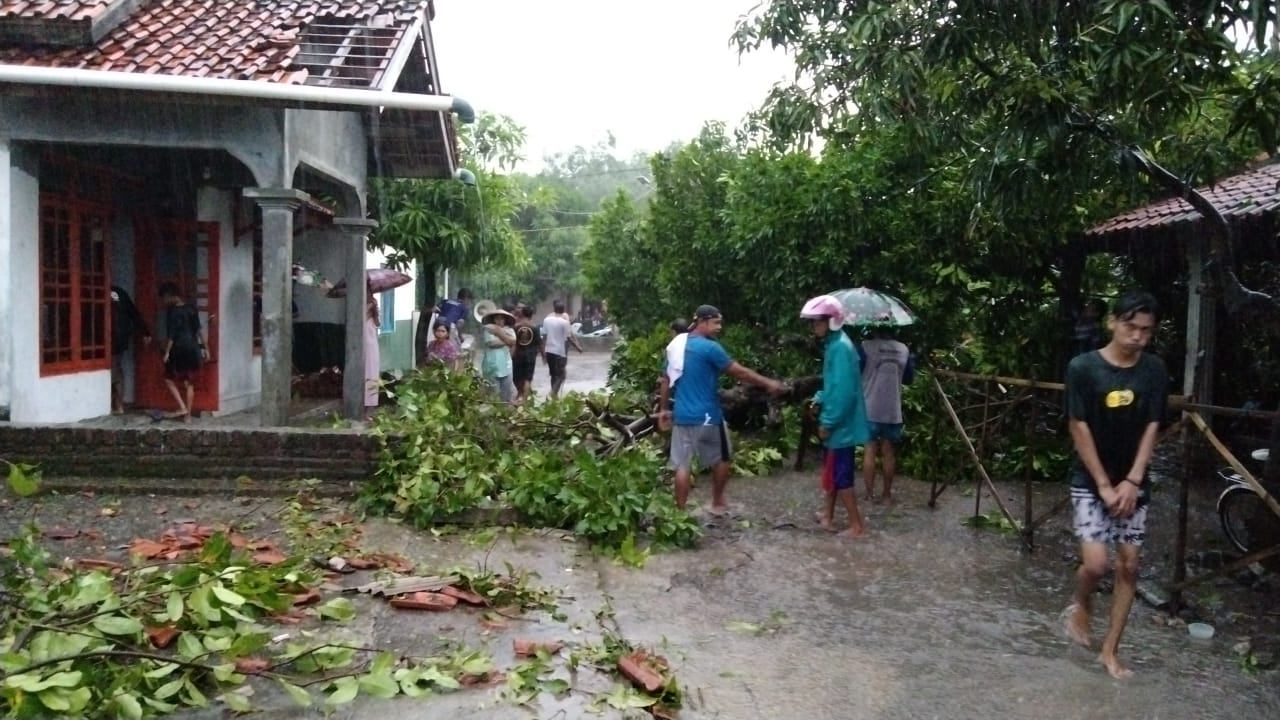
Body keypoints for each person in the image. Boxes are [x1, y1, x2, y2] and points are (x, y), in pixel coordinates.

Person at [1063, 290, 1167, 680]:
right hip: (1090, 480)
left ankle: (1110, 650)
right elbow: (1078, 425)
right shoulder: (1083, 368)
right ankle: (1082, 602)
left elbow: (1153, 425)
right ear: (1112, 322)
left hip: (1133, 482)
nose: (1137, 336)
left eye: (1145, 330)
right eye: (1130, 326)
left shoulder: (1154, 370)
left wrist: (1134, 480)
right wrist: (1105, 485)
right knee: (1096, 564)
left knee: (1129, 564)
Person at [656, 305, 786, 513]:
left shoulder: (677, 347)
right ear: (702, 322)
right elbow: (740, 373)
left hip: (682, 416)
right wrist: (769, 383)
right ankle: (717, 502)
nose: (719, 327)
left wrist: (663, 410)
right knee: (723, 459)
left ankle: (679, 514)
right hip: (708, 416)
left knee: (682, 465)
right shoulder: (710, 348)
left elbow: (665, 379)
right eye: (716, 323)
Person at [801, 295, 871, 538]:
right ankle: (828, 516)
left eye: (818, 321)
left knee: (842, 475)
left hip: (843, 424)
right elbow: (834, 384)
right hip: (841, 420)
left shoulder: (840, 347)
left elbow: (843, 392)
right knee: (832, 468)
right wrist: (820, 397)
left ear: (832, 320)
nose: (814, 326)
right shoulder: (835, 344)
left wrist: (828, 422)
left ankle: (856, 526)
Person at [859, 322, 914, 503]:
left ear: (875, 329)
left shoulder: (866, 347)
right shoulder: (904, 350)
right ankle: (887, 495)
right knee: (889, 452)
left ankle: (869, 494)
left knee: (870, 451)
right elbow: (908, 378)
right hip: (892, 409)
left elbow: (857, 372)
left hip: (870, 408)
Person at [158, 282, 207, 423]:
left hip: (179, 349)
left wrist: (166, 352)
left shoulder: (173, 312)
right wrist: (205, 348)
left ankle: (182, 407)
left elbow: (172, 335)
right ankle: (188, 417)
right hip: (193, 348)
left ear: (170, 296)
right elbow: (198, 331)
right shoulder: (192, 309)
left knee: (168, 379)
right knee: (189, 383)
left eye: (164, 299)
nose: (164, 302)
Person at [110, 285, 151, 415]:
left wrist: (145, 331)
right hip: (110, 338)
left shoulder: (118, 292)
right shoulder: (118, 292)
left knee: (114, 370)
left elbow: (133, 313)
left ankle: (118, 404)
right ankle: (117, 404)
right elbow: (133, 313)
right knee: (115, 369)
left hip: (115, 338)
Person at [541, 300, 583, 399]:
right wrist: (578, 347)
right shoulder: (565, 322)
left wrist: (543, 353)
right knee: (561, 375)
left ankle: (554, 397)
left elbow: (544, 337)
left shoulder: (547, 320)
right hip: (560, 352)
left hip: (549, 351)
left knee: (553, 374)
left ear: (554, 309)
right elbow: (568, 338)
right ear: (563, 311)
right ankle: (553, 393)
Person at [481, 308, 517, 403]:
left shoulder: (510, 330)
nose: (499, 321)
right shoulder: (488, 329)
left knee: (506, 395)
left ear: (505, 320)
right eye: (497, 319)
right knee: (493, 396)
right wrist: (506, 339)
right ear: (493, 319)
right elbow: (491, 343)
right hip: (491, 366)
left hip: (506, 365)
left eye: (502, 319)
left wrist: (498, 332)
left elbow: (513, 341)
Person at [511, 305, 540, 404]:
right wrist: (544, 356)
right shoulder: (535, 327)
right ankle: (524, 400)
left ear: (522, 313)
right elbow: (539, 343)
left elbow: (513, 342)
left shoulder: (516, 327)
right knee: (528, 378)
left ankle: (520, 394)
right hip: (530, 356)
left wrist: (511, 354)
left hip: (518, 355)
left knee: (516, 377)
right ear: (531, 315)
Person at [364, 283, 381, 418]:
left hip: (369, 344)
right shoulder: (370, 304)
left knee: (370, 372)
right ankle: (367, 404)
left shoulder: (370, 304)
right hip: (364, 343)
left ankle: (370, 405)